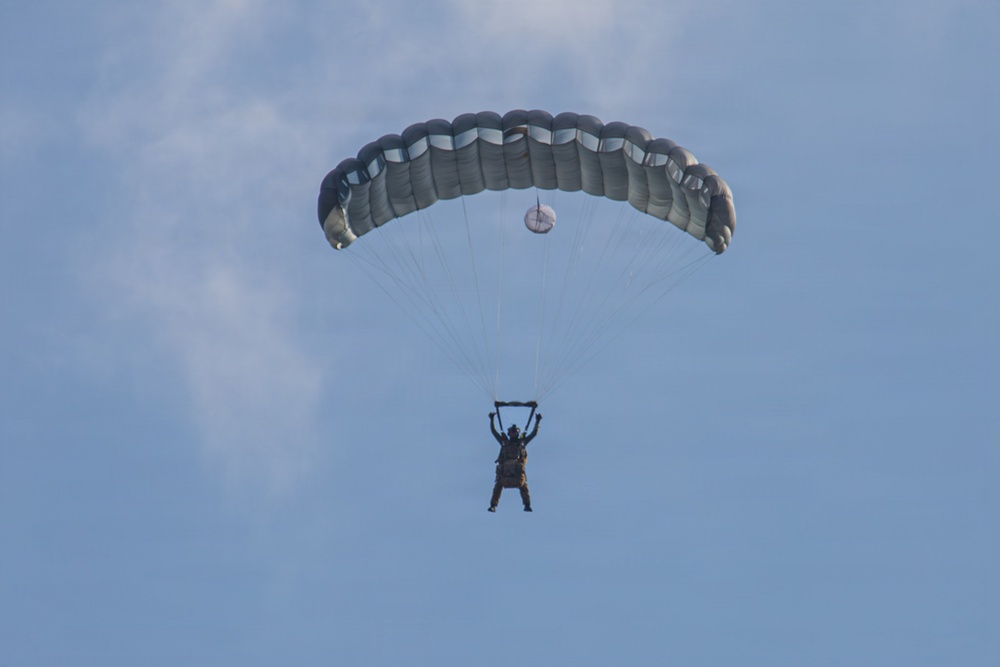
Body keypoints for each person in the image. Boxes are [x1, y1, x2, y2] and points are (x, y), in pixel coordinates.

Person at [487, 410, 541, 512]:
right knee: (498, 486)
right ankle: (493, 505)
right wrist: (492, 419)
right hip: (505, 470)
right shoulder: (504, 443)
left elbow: (534, 434)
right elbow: (494, 432)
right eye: (512, 432)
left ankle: (527, 504)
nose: (513, 433)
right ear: (508, 433)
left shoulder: (522, 443)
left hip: (517, 469)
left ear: (518, 433)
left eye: (515, 432)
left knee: (523, 485)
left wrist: (537, 421)